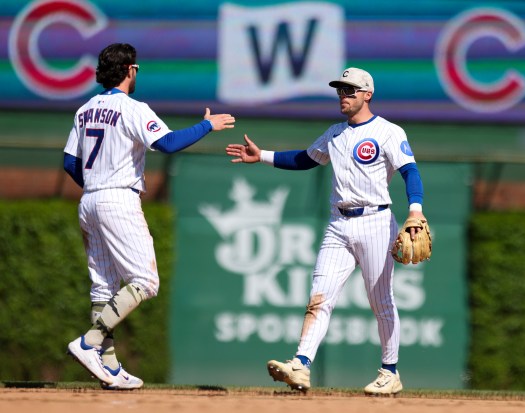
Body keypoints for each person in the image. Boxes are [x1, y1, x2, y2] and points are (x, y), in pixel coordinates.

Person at [225, 67, 425, 395]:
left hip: (376, 221)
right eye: (340, 91)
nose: (343, 96)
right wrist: (262, 156)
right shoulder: (335, 133)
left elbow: (410, 171)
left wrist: (415, 209)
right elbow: (306, 159)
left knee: (381, 301)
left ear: (367, 94)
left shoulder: (389, 132)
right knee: (319, 297)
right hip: (338, 224)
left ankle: (390, 371)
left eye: (350, 91)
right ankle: (301, 365)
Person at [63, 43, 235, 390]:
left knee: (104, 287)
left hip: (90, 200)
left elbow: (70, 162)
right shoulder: (132, 108)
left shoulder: (84, 110)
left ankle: (108, 367)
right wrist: (206, 126)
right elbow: (168, 143)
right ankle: (89, 342)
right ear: (130, 70)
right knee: (146, 281)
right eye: (136, 69)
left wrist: (96, 185)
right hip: (117, 200)